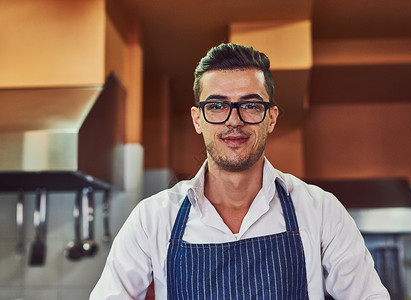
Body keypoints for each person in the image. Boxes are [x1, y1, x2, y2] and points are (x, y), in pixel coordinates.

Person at [91, 43, 390, 299]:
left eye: (250, 105)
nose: (234, 121)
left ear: (270, 117)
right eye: (218, 106)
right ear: (198, 119)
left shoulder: (321, 211)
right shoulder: (153, 219)